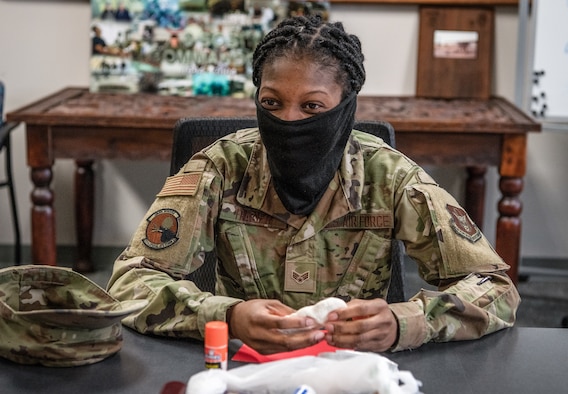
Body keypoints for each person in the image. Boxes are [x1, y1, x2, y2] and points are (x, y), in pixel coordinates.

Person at [107, 15, 520, 354]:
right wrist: (224, 316)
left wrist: (403, 323)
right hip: (247, 364)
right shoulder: (220, 168)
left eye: (312, 106)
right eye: (271, 103)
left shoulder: (389, 177)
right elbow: (129, 282)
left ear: (345, 106)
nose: (289, 121)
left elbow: (496, 288)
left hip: (354, 367)